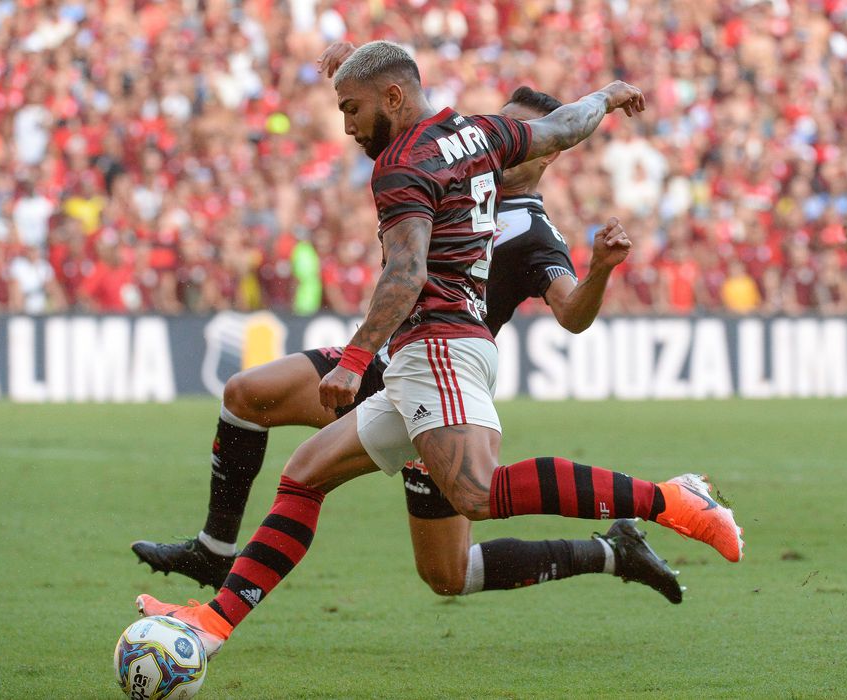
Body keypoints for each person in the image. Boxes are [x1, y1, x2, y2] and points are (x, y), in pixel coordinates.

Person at [137, 41, 744, 658]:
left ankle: (670, 500)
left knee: (475, 497)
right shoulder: (480, 136)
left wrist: (353, 362)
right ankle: (211, 623)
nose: (347, 127)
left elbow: (407, 274)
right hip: (418, 356)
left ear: (392, 98)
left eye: (351, 110)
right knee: (303, 476)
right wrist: (608, 96)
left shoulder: (414, 169)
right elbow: (562, 125)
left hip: (441, 348)